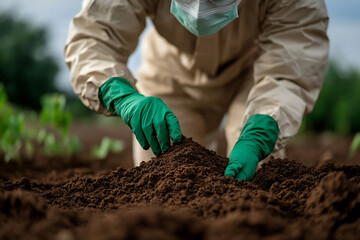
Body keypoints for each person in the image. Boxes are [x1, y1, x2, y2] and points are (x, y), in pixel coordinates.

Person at [65, 0, 329, 181]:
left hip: (254, 74)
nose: (201, 8)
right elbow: (95, 37)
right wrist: (123, 96)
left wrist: (260, 132)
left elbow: (293, 62)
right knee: (164, 171)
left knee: (257, 169)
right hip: (171, 72)